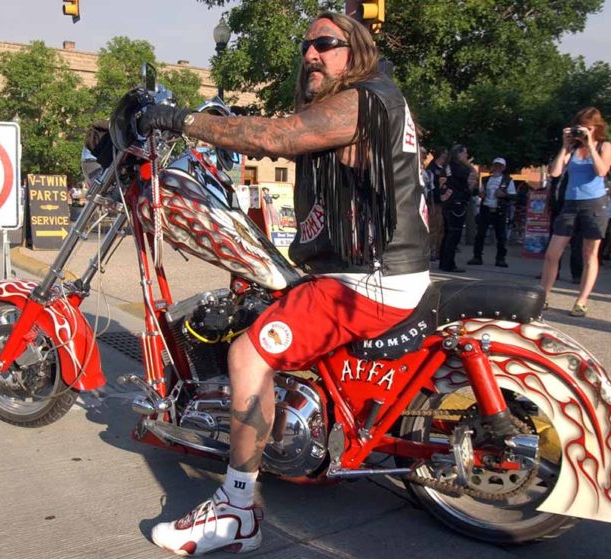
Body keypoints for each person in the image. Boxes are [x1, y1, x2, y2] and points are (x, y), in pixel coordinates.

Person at [136, 12, 430, 555]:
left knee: (248, 355)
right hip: (366, 270)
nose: (312, 54)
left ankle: (236, 510)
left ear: (355, 50)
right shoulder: (369, 100)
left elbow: (278, 136)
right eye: (307, 45)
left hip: (367, 280)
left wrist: (178, 121)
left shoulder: (364, 98)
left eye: (326, 43)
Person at [540, 107, 611, 317]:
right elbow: (554, 172)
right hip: (571, 203)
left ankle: (581, 301)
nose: (584, 132)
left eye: (588, 128)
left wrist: (590, 144)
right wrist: (564, 146)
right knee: (552, 253)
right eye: (581, 128)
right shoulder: (572, 149)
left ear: (596, 128)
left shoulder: (603, 146)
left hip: (594, 204)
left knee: (589, 253)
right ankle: (543, 295)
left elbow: (601, 171)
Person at [468, 157, 517, 267]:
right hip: (486, 208)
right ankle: (477, 257)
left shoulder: (508, 180)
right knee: (480, 234)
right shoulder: (485, 179)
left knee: (501, 236)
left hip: (499, 210)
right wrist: (481, 194)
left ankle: (500, 259)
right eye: (495, 165)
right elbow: (480, 192)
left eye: (500, 166)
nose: (497, 168)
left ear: (503, 168)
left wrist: (504, 195)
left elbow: (514, 196)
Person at [438, 144, 477, 272]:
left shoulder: (446, 166)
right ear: (458, 154)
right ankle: (449, 264)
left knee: (448, 233)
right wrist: (468, 164)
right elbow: (473, 175)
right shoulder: (458, 167)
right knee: (454, 234)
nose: (467, 156)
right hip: (457, 203)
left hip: (447, 202)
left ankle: (443, 262)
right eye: (465, 153)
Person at [425, 148, 448, 261]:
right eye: (444, 156)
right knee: (434, 227)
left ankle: (438, 250)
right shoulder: (431, 169)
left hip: (444, 202)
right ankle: (431, 250)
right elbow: (430, 189)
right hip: (435, 202)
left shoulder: (445, 169)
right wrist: (432, 204)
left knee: (441, 228)